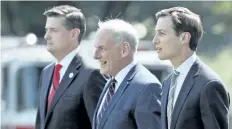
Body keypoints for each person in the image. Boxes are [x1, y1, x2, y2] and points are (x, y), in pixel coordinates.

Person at [153, 6, 230, 129]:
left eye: (161, 33)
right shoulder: (168, 82)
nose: (155, 40)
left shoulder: (209, 85)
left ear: (184, 38)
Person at [35, 5, 106, 129]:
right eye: (47, 30)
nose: (47, 35)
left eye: (53, 30)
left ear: (74, 33)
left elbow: (101, 125)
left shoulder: (91, 75)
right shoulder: (47, 73)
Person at [92, 19, 162, 129]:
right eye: (95, 48)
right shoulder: (112, 83)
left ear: (124, 50)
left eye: (102, 48)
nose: (95, 55)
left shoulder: (147, 88)